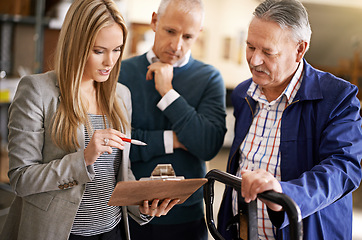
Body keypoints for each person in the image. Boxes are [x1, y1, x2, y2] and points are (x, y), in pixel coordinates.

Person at [0, 0, 179, 239]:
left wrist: (144, 202)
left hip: (112, 231)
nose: (110, 62)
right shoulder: (37, 91)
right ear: (76, 45)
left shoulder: (121, 95)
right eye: (99, 51)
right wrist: (84, 158)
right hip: (60, 232)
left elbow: (119, 171)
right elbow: (22, 179)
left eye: (117, 49)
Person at [217, 0, 362, 239]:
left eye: (267, 52)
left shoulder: (338, 97)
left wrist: (284, 194)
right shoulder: (244, 93)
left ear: (299, 50)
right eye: (250, 47)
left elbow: (343, 169)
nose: (254, 60)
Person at [118, 0, 227, 239]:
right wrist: (177, 139)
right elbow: (117, 146)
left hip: (188, 216)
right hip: (129, 212)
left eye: (188, 36)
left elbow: (207, 145)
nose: (177, 45)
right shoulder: (121, 73)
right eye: (170, 31)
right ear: (155, 21)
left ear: (199, 33)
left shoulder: (209, 78)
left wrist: (168, 92)